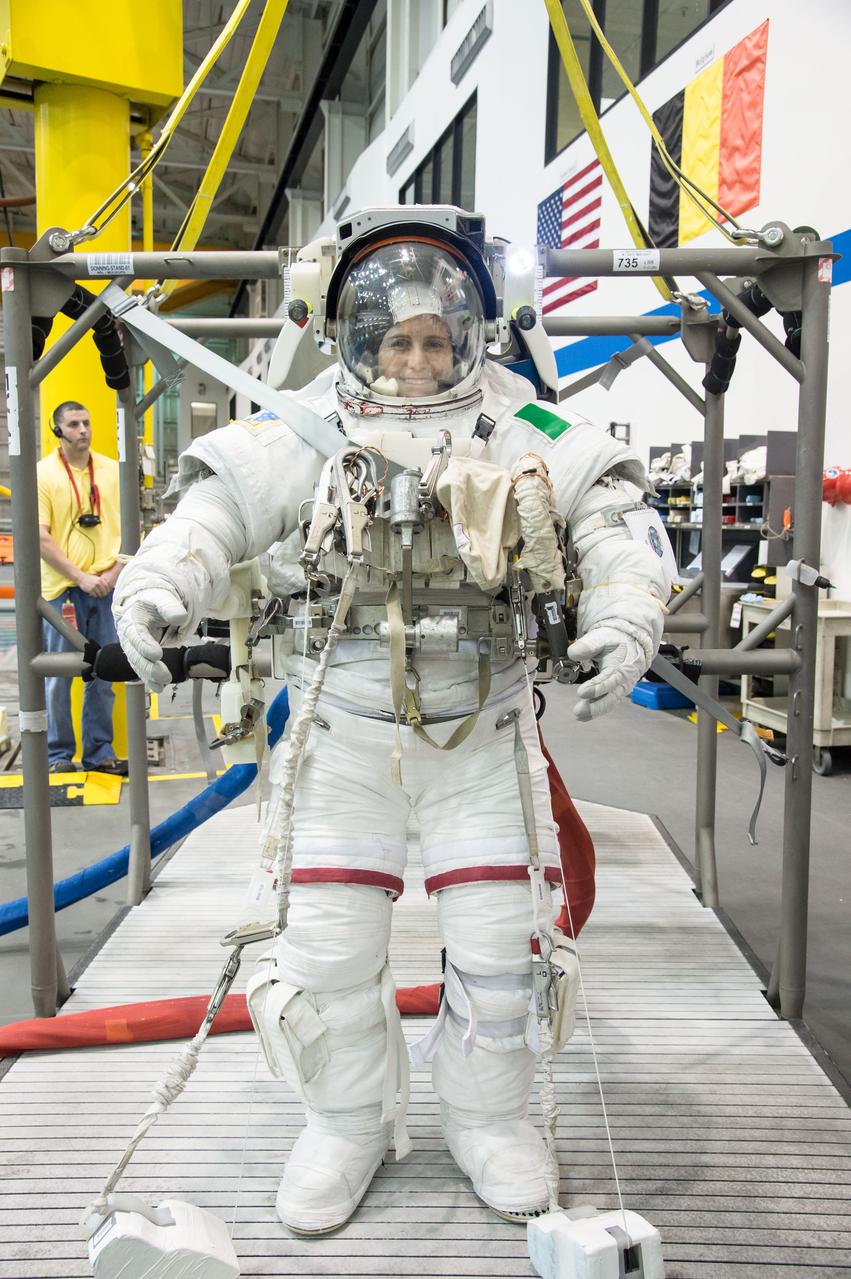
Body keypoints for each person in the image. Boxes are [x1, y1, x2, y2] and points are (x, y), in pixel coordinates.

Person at [112, 211, 671, 1233]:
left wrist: (624, 616)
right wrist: (154, 586)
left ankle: (490, 1118)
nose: (416, 361)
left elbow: (618, 525)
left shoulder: (523, 426)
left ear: (469, 337)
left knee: (505, 946)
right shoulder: (304, 424)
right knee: (323, 952)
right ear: (356, 342)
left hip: (482, 731)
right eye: (395, 340)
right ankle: (345, 1122)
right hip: (343, 730)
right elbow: (207, 519)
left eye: (435, 339)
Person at [38, 401, 128, 775]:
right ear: (58, 430)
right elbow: (40, 538)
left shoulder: (110, 470)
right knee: (60, 677)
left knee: (104, 674)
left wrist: (111, 574)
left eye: (86, 423)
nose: (83, 430)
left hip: (106, 587)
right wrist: (81, 577)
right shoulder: (43, 474)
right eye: (73, 424)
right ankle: (59, 757)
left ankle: (99, 753)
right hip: (63, 592)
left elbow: (129, 526)